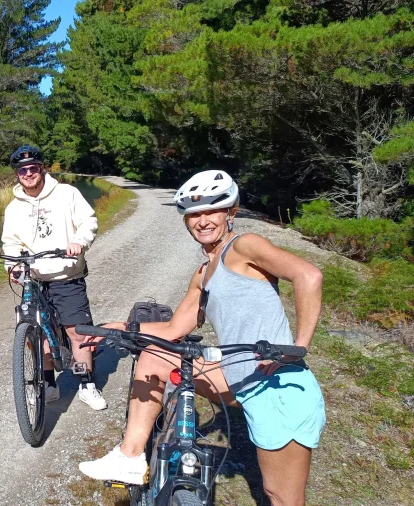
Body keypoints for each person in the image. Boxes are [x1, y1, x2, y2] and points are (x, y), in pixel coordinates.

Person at [78, 170, 326, 506]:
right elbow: (172, 330)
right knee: (156, 356)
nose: (202, 220)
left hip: (278, 387)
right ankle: (131, 456)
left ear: (230, 212)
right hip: (237, 376)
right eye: (194, 214)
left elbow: (308, 276)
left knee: (280, 496)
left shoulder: (244, 246)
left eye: (212, 210)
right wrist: (118, 327)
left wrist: (298, 347)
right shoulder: (202, 273)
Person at [1, 145, 106, 410]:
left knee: (77, 332)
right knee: (38, 335)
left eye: (33, 168)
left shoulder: (67, 194)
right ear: (16, 174)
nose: (28, 173)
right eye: (22, 170)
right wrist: (13, 265)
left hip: (66, 273)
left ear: (42, 168)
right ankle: (49, 383)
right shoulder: (13, 208)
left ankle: (86, 385)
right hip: (33, 278)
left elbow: (88, 221)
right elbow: (10, 242)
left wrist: (79, 241)